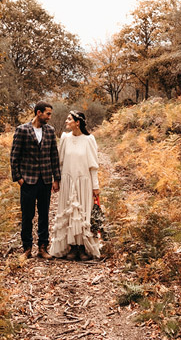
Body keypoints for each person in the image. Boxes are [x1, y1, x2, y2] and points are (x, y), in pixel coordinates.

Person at [10, 101, 60, 259]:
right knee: (27, 215)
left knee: (44, 214)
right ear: (39, 113)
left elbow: (54, 156)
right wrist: (18, 178)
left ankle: (43, 248)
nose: (49, 117)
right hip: (28, 180)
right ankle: (27, 248)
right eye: (48, 114)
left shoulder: (50, 131)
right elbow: (14, 156)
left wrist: (56, 178)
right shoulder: (22, 130)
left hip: (45, 180)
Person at [49, 110, 101, 261]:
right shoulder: (65, 139)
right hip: (68, 180)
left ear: (77, 122)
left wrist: (95, 186)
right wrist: (56, 180)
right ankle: (72, 247)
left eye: (69, 119)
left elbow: (93, 165)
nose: (66, 121)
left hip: (84, 181)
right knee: (69, 213)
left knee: (83, 213)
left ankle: (83, 247)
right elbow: (60, 161)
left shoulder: (89, 139)